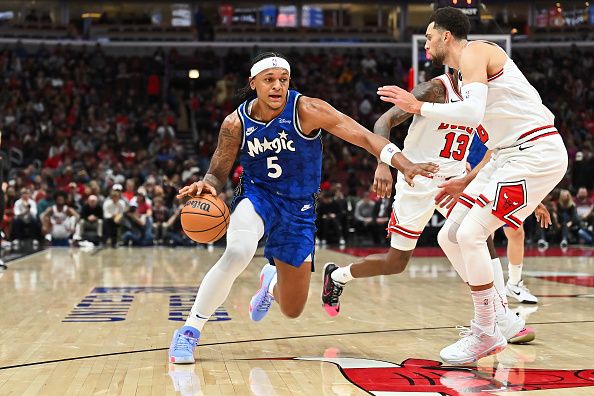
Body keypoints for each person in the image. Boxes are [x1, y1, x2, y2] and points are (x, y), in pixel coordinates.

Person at [168, 52, 438, 364]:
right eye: (269, 80)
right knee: (239, 251)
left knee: (292, 309)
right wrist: (209, 184)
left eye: (283, 80)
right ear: (253, 83)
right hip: (258, 196)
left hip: (299, 210)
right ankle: (190, 331)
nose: (277, 86)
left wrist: (402, 164)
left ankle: (269, 282)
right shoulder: (235, 122)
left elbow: (364, 137)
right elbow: (218, 170)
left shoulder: (308, 109)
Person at [377, 7, 567, 364]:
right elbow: (493, 142)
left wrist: (419, 107)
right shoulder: (464, 78)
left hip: (533, 152)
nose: (427, 44)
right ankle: (496, 316)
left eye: (430, 37)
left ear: (446, 36)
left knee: (471, 235)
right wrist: (466, 179)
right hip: (507, 157)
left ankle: (486, 330)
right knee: (449, 236)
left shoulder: (476, 51)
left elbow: (472, 115)